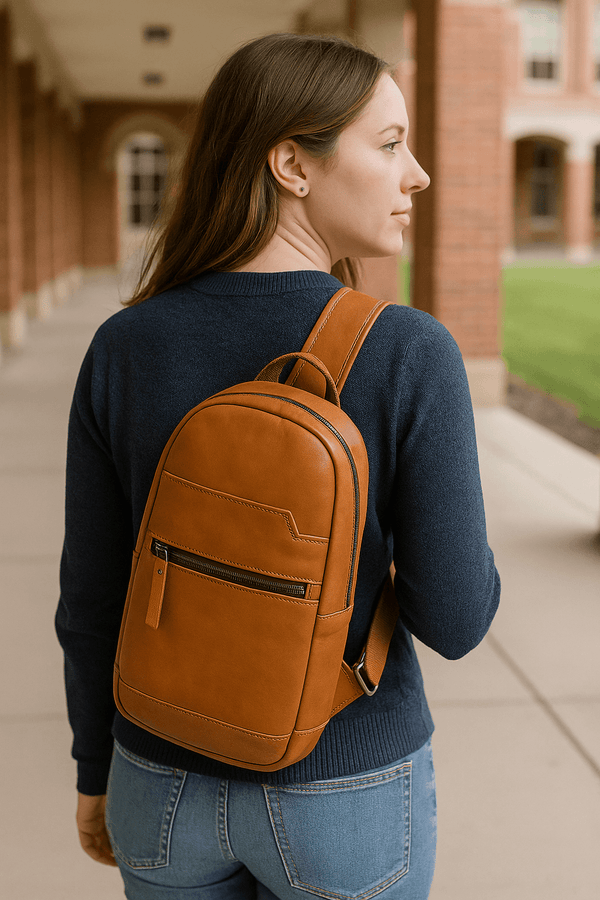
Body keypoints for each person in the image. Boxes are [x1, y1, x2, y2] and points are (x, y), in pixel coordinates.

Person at [56, 32, 500, 899]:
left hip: (159, 781)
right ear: (293, 165)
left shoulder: (125, 345)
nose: (418, 175)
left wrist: (91, 768)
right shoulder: (408, 352)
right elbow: (456, 618)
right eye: (390, 144)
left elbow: (93, 597)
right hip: (346, 788)